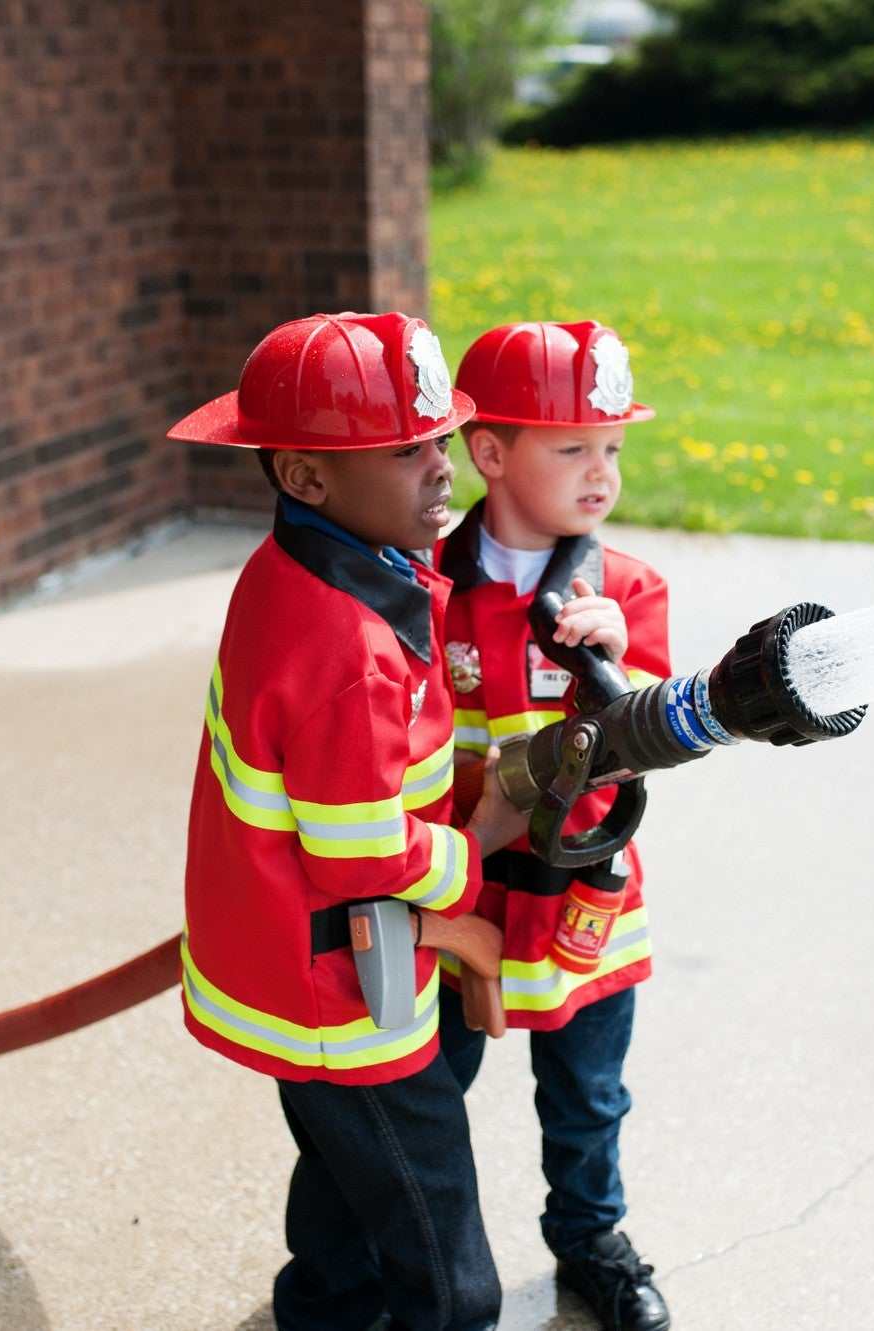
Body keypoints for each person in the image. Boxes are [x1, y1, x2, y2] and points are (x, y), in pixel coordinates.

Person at [169, 311, 529, 1331]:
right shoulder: (349, 645)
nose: (440, 466)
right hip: (343, 988)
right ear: (304, 476)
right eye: (403, 449)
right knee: (435, 1231)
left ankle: (322, 1310)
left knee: (342, 1172)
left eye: (439, 438)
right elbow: (357, 850)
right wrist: (480, 842)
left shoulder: (299, 566)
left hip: (288, 968)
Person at [433, 320, 672, 1331]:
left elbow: (668, 736)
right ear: (487, 451)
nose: (599, 471)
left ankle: (590, 1241)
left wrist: (618, 663)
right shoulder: (422, 588)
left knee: (586, 1100)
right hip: (457, 896)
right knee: (423, 1093)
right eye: (570, 446)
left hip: (581, 904)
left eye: (611, 447)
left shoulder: (622, 588)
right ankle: (427, 1262)